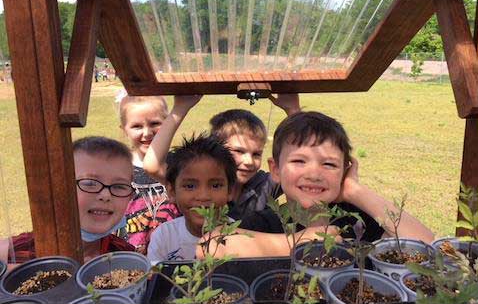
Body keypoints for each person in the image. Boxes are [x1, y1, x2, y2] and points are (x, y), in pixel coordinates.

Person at [197, 111, 434, 258]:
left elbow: (427, 243)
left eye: (329, 165)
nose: (314, 173)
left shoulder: (357, 220)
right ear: (276, 170)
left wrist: (354, 190)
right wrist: (308, 240)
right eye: (299, 161)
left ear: (345, 169)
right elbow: (209, 246)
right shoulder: (266, 221)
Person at [143, 94, 300, 220]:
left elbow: (303, 172)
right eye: (239, 151)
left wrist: (292, 109)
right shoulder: (197, 178)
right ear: (217, 149)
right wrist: (180, 107)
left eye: (256, 154)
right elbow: (153, 165)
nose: (249, 162)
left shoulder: (264, 185)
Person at [1, 136, 135, 265]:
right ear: (60, 188)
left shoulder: (127, 258)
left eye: (119, 186)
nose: (105, 195)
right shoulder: (16, 254)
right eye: (89, 183)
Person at [146, 133, 236, 263]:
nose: (203, 196)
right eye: (190, 186)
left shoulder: (238, 235)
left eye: (216, 185)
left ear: (230, 191)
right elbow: (155, 280)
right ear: (171, 191)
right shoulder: (164, 236)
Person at [117, 94, 180, 253]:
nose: (147, 133)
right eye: (137, 126)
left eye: (155, 123)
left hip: (175, 253)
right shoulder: (117, 168)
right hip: (131, 255)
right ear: (124, 130)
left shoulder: (180, 164)